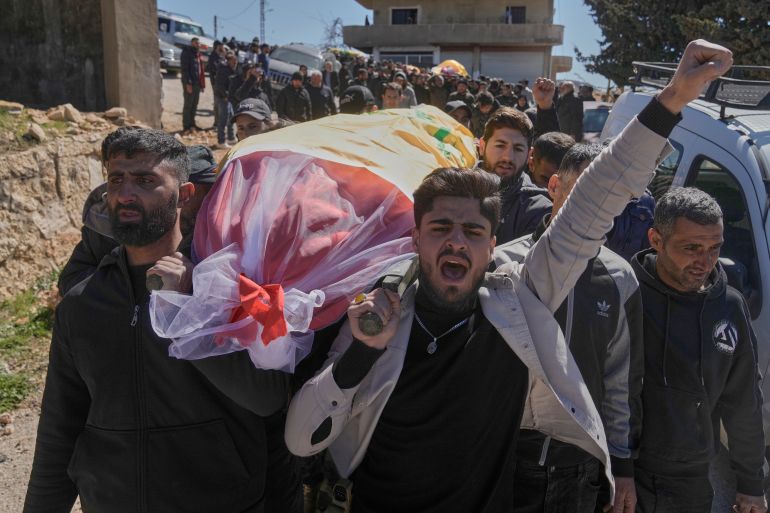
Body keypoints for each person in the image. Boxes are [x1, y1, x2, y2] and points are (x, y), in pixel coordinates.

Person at [284, 39, 698, 508]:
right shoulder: (381, 316)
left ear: (493, 245)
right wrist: (362, 352)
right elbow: (300, 439)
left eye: (473, 231)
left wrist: (671, 101)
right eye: (440, 228)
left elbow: (592, 203)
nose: (457, 242)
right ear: (416, 239)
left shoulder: (517, 305)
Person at [25, 129, 302, 513]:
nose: (125, 194)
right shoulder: (82, 305)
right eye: (116, 179)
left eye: (145, 181)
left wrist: (187, 309)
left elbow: (267, 400)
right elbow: (60, 430)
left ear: (184, 195)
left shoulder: (232, 289)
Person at [496, 143, 644, 513]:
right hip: (503, 458)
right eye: (584, 192)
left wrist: (621, 464)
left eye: (609, 198)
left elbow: (620, 381)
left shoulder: (620, 278)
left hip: (578, 467)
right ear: (554, 186)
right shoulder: (502, 264)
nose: (595, 207)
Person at [632, 186, 767, 513]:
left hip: (690, 483)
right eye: (691, 248)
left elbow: (744, 402)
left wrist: (751, 484)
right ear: (656, 240)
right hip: (623, 473)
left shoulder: (729, 308)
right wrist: (618, 466)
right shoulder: (625, 293)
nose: (704, 262)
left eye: (714, 248)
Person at [57, 139, 220, 296]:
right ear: (181, 194)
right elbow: (70, 282)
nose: (207, 203)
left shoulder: (212, 232)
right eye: (201, 194)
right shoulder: (110, 226)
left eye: (213, 193)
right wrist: (136, 280)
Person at [477, 80, 559, 243]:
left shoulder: (538, 210)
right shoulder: (456, 192)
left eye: (518, 149)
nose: (508, 157)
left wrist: (545, 107)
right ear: (482, 146)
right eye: (500, 145)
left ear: (529, 155)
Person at [213, 51, 238, 149]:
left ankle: (231, 138)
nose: (235, 62)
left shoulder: (231, 69)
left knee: (231, 118)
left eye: (236, 61)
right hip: (223, 98)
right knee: (223, 120)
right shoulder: (223, 70)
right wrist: (225, 96)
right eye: (234, 61)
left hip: (228, 98)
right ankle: (221, 141)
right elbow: (220, 85)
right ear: (229, 60)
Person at [180, 37, 206, 132]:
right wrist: (188, 83)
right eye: (196, 43)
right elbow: (185, 70)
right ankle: (186, 126)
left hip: (197, 84)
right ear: (191, 43)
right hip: (190, 84)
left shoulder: (197, 54)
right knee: (188, 105)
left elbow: (200, 71)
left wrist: (202, 85)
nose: (198, 45)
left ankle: (192, 124)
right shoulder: (187, 53)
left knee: (194, 105)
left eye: (198, 43)